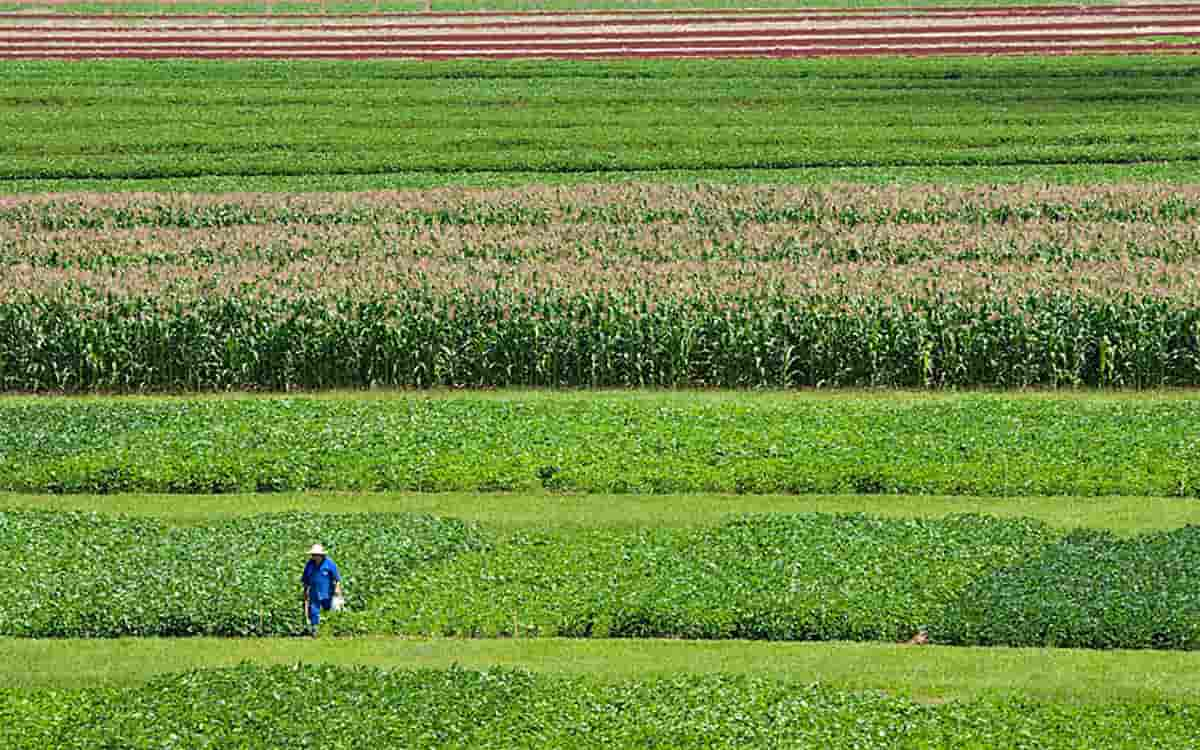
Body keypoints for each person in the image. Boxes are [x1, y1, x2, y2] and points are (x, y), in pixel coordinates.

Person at [301, 543, 342, 637]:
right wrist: (305, 591)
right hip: (314, 592)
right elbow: (305, 579)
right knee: (314, 611)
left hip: (328, 592)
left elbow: (337, 578)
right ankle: (315, 630)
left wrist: (337, 588)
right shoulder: (309, 565)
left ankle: (333, 629)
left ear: (321, 555)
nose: (314, 557)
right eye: (313, 555)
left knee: (330, 610)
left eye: (316, 555)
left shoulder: (329, 564)